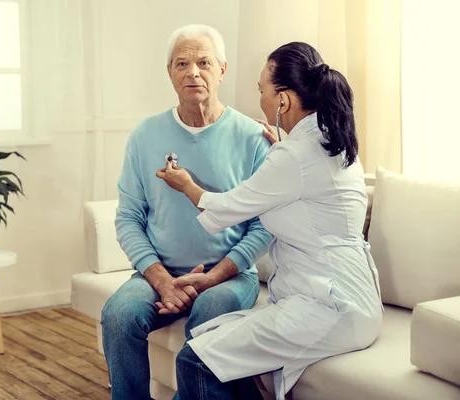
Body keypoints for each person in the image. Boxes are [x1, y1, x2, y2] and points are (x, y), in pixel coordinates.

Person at [157, 42, 383, 400]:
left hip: (330, 308)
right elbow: (304, 185)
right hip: (349, 300)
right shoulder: (331, 142)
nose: (259, 97)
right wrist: (283, 141)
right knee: (208, 339)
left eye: (261, 89)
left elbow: (227, 207)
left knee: (195, 359)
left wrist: (186, 185)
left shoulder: (294, 156)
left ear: (283, 101)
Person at [101, 24, 274, 400]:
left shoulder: (252, 137)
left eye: (203, 62)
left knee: (211, 311)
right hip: (159, 274)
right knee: (118, 315)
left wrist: (214, 276)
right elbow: (128, 217)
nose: (193, 71)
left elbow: (263, 226)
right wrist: (162, 280)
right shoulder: (145, 135)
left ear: (222, 69)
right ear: (170, 73)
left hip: (229, 277)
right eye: (182, 63)